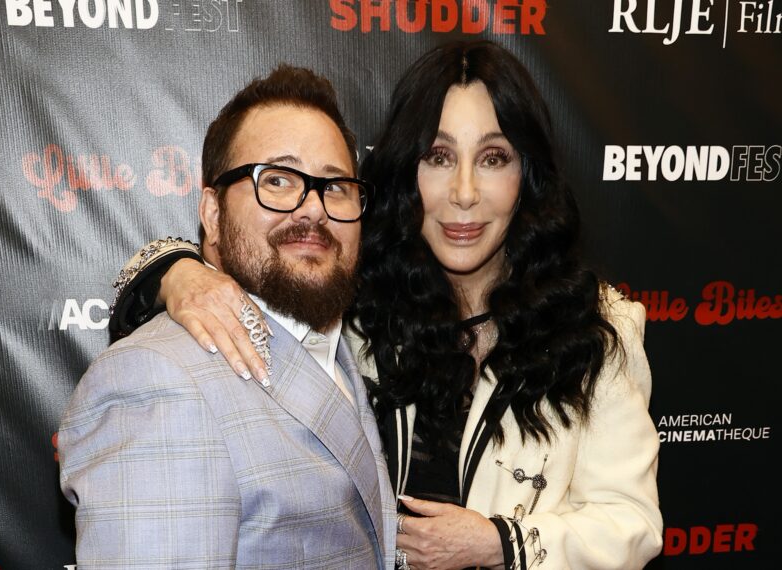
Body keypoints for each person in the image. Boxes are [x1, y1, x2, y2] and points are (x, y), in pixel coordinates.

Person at [109, 40, 663, 570]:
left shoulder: (592, 326)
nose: (464, 191)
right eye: (439, 156)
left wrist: (495, 542)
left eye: (493, 158)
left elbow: (633, 523)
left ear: (527, 177)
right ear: (406, 170)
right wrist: (176, 271)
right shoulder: (353, 305)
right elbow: (248, 259)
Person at [58, 65, 397, 569]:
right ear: (212, 214)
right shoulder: (156, 380)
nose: (314, 210)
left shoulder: (345, 339)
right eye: (277, 180)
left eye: (335, 187)